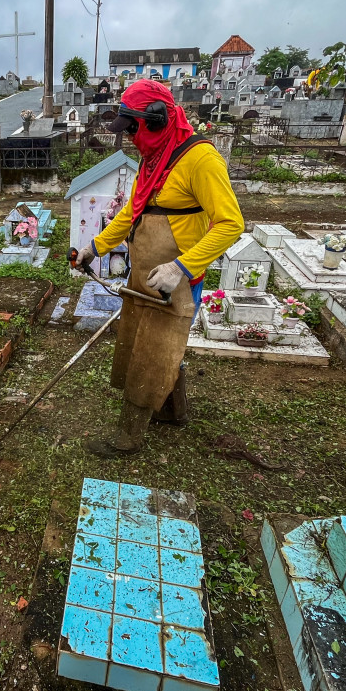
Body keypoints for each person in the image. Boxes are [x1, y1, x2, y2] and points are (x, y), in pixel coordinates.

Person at [75, 79, 243, 458]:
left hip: (175, 280)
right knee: (147, 344)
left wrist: (181, 268)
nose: (131, 138)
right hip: (145, 274)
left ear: (155, 120)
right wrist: (94, 247)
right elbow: (132, 214)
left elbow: (231, 223)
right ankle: (174, 411)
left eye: (133, 128)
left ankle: (128, 438)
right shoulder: (155, 160)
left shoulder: (201, 160)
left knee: (153, 351)